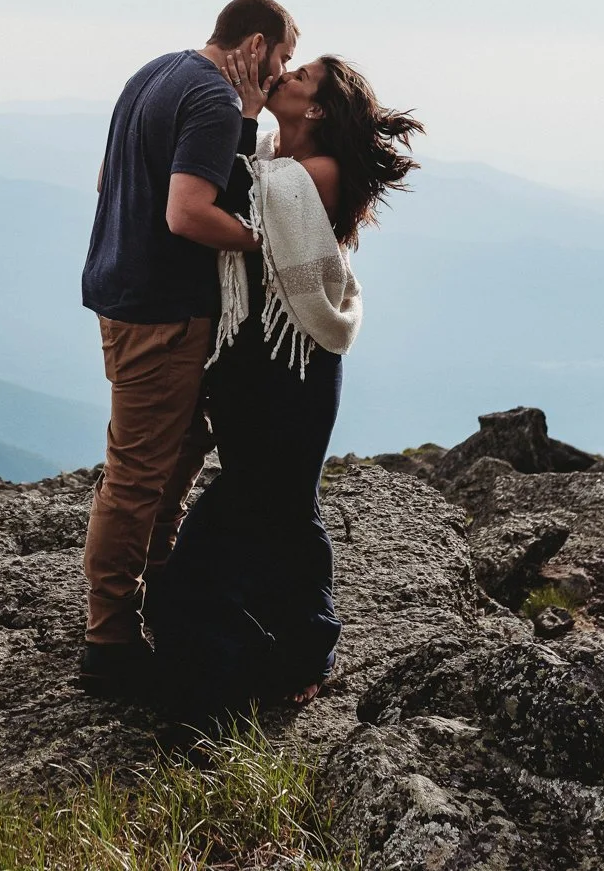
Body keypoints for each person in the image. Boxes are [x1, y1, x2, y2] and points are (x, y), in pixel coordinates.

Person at [145, 54, 423, 725]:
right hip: (249, 360)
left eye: (300, 77)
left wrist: (239, 113)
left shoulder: (316, 173)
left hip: (295, 368)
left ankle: (270, 659)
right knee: (278, 508)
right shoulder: (277, 154)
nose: (286, 76)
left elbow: (236, 194)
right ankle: (290, 648)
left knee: (277, 508)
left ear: (317, 108)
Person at [78, 0, 298, 697]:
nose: (281, 73)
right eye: (282, 57)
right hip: (163, 311)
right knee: (138, 472)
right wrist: (265, 243)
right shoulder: (210, 99)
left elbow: (110, 179)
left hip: (124, 290)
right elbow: (187, 212)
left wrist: (247, 121)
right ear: (256, 44)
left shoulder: (156, 73)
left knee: (177, 449)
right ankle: (109, 640)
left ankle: (156, 589)